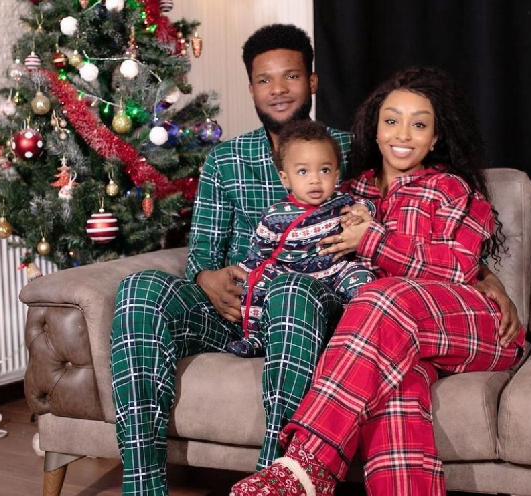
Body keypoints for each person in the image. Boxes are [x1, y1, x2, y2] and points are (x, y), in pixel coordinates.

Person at [229, 66, 526, 496]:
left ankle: (307, 465)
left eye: (419, 124)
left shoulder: (451, 190)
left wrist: (372, 239)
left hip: (473, 325)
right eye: (391, 120)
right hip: (391, 339)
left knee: (383, 295)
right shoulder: (346, 193)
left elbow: (458, 268)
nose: (402, 134)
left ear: (436, 137)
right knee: (395, 393)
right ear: (375, 127)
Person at [111, 24, 353, 495]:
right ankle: (142, 486)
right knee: (139, 290)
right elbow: (200, 253)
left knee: (290, 291)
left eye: (291, 76)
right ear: (251, 88)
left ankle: (275, 481)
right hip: (235, 313)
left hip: (310, 308)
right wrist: (205, 276)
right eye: (265, 80)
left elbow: (394, 212)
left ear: (313, 82)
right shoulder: (225, 160)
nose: (278, 90)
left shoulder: (349, 147)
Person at [227, 120, 375, 358]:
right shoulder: (275, 216)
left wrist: (360, 214)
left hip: (334, 270)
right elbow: (259, 253)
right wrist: (247, 275)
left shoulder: (342, 203)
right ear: (286, 178)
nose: (315, 180)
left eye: (324, 170)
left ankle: (353, 332)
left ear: (336, 174)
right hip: (292, 276)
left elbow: (365, 207)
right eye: (303, 171)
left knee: (362, 277)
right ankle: (256, 336)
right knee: (258, 282)